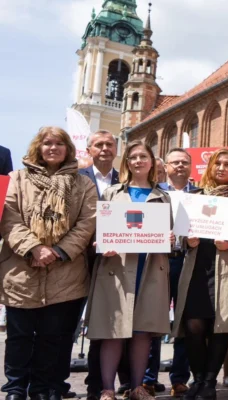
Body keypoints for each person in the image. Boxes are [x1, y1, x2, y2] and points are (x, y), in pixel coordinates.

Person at [0, 127, 97, 400]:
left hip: (66, 274)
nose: (53, 148)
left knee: (52, 337)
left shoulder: (83, 184)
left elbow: (87, 223)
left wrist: (59, 251)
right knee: (19, 337)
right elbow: (9, 219)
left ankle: (43, 389)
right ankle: (15, 388)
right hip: (21, 272)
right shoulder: (16, 179)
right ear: (38, 148)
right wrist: (34, 247)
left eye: (59, 144)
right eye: (47, 143)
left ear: (67, 149)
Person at [85, 140, 173, 400]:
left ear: (151, 162)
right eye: (133, 157)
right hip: (117, 268)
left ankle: (136, 387)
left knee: (142, 331)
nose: (138, 161)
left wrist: (169, 239)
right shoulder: (112, 193)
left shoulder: (163, 196)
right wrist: (102, 245)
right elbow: (100, 232)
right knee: (112, 329)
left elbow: (170, 235)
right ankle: (108, 389)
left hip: (150, 270)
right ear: (127, 163)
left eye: (143, 156)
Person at [172, 149, 228, 400]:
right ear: (210, 168)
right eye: (218, 164)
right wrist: (188, 240)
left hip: (226, 269)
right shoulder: (196, 196)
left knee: (219, 327)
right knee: (194, 326)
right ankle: (198, 378)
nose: (222, 168)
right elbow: (181, 233)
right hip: (197, 267)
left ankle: (209, 383)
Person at [78, 130, 125, 400]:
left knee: (107, 324)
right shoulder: (77, 178)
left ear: (116, 149)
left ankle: (99, 384)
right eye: (99, 144)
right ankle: (57, 384)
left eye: (109, 144)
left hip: (113, 260)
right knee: (72, 322)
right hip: (80, 258)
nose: (105, 149)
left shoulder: (124, 180)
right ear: (89, 149)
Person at [151, 149, 196, 397]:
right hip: (158, 260)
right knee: (152, 318)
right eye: (175, 162)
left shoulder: (199, 194)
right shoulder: (155, 193)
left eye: (184, 162)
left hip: (186, 261)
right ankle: (148, 376)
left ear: (190, 166)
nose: (180, 166)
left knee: (184, 322)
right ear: (165, 166)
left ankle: (179, 377)